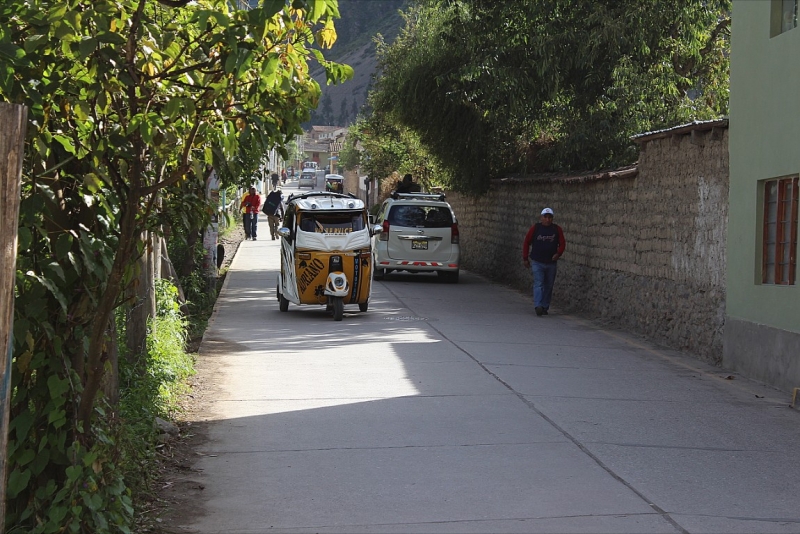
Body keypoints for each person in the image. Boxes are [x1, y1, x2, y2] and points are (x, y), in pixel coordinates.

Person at [522, 207, 566, 316]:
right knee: (539, 283)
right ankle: (538, 305)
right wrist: (525, 258)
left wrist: (558, 254)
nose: (547, 219)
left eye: (549, 217)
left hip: (551, 263)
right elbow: (527, 242)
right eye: (545, 217)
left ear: (552, 218)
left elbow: (562, 243)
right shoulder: (536, 228)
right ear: (541, 218)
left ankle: (545, 306)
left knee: (549, 285)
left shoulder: (556, 229)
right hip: (537, 262)